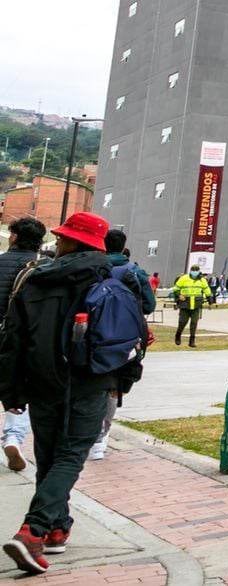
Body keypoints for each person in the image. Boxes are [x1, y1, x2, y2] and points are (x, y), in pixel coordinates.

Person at [0, 213, 143, 572]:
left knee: (49, 457)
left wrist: (11, 392)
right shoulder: (111, 282)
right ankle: (34, 531)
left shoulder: (33, 281)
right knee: (69, 456)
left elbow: (13, 342)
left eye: (62, 237)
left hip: (42, 382)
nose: (58, 241)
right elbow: (133, 338)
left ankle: (56, 530)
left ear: (69, 242)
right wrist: (122, 383)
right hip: (91, 383)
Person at [92, 229, 156, 461]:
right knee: (115, 386)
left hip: (95, 333)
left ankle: (86, 430)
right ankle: (101, 438)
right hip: (127, 336)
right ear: (123, 246)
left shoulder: (93, 268)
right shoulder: (134, 271)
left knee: (92, 381)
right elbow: (149, 305)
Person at [0, 218, 46, 473]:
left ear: (15, 237)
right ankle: (13, 438)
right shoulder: (45, 268)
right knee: (18, 391)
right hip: (22, 340)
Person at [171, 265, 212, 347]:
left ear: (199, 271)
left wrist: (209, 298)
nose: (195, 272)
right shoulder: (184, 278)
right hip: (185, 303)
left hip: (196, 304)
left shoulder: (202, 280)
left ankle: (192, 341)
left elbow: (206, 289)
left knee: (194, 323)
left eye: (196, 270)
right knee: (182, 322)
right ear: (190, 270)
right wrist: (179, 295)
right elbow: (175, 289)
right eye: (193, 270)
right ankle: (178, 335)